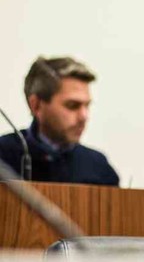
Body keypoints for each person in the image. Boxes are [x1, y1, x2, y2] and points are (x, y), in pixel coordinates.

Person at [0, 56, 119, 186]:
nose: (84, 116)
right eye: (72, 105)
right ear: (36, 105)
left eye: (87, 106)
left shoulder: (99, 166)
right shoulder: (3, 156)